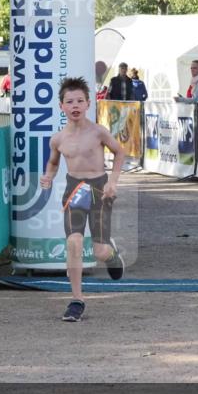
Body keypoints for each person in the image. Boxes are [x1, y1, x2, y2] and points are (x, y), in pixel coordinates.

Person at [40, 77, 126, 322]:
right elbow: (53, 162)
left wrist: (113, 181)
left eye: (79, 100)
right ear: (62, 106)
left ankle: (111, 255)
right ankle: (77, 300)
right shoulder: (58, 139)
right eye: (70, 101)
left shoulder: (98, 132)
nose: (75, 105)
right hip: (74, 189)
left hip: (99, 188)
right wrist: (48, 176)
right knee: (74, 243)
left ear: (89, 103)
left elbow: (120, 152)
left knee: (99, 251)